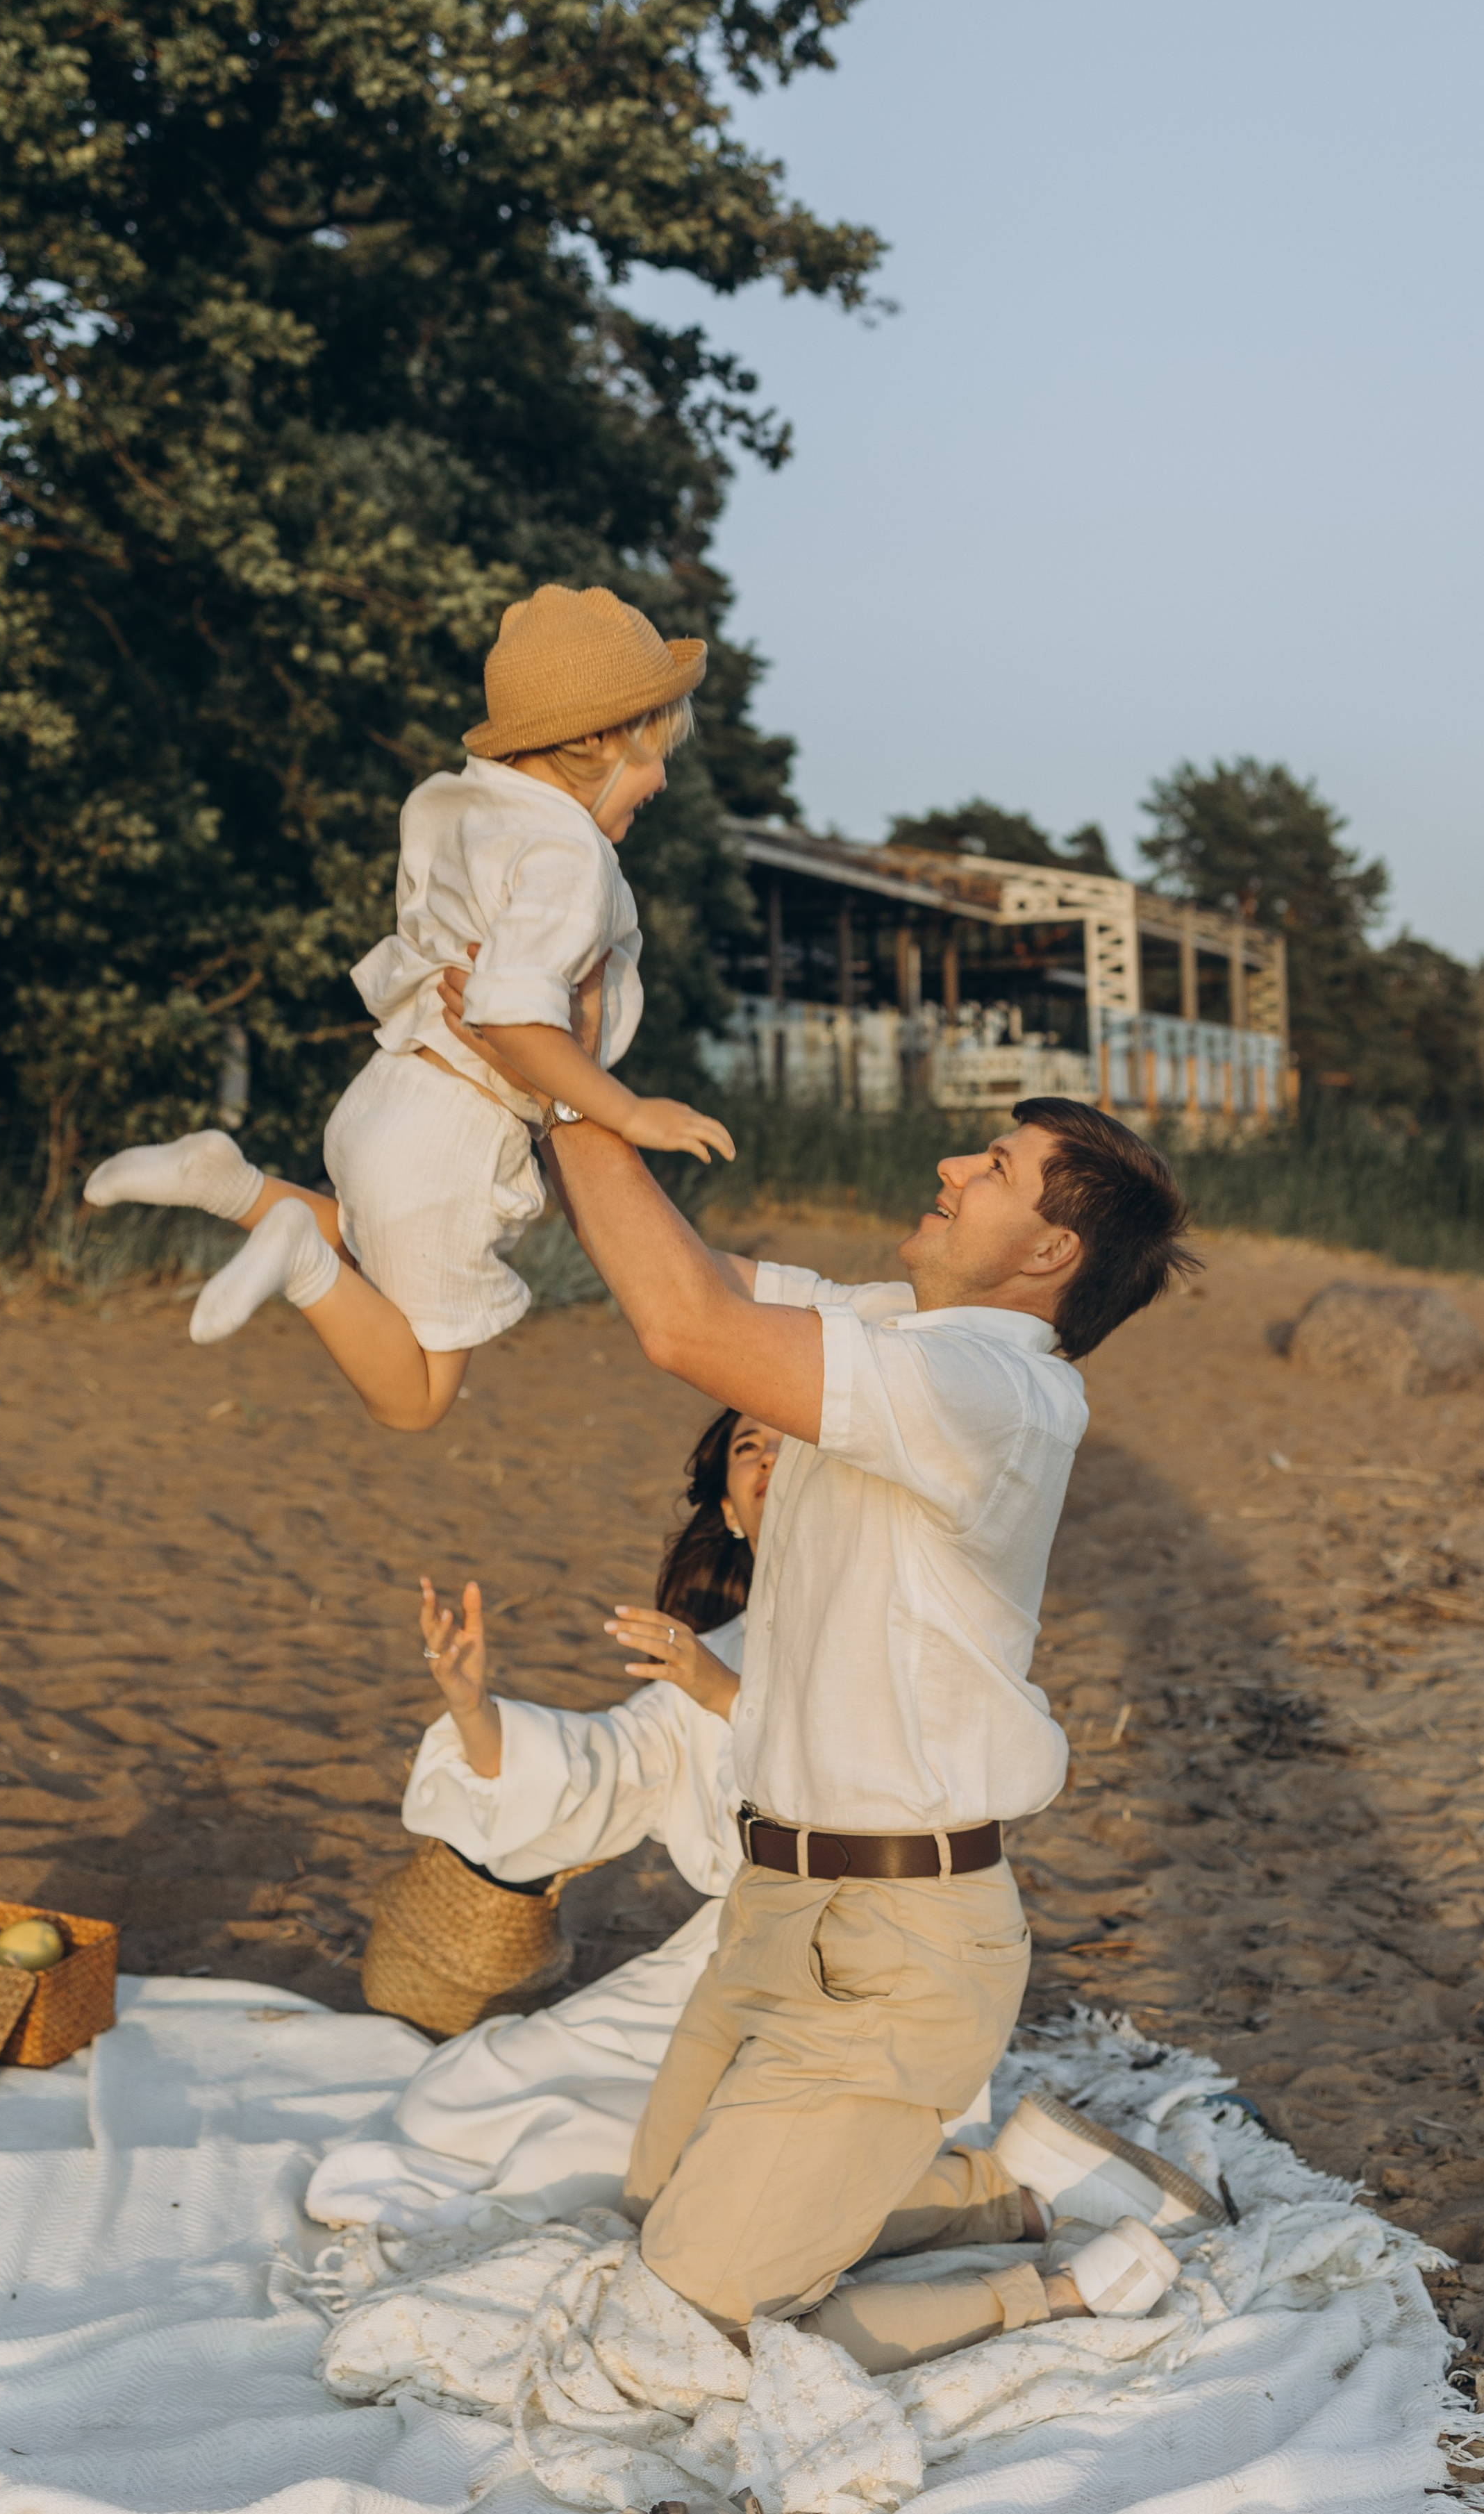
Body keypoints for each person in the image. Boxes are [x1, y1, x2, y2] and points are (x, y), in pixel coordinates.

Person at [447, 963, 1217, 2372]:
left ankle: (1063, 2290)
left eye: (991, 1168)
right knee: (653, 2209)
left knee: (670, 2324)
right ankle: (1012, 2188)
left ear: (1048, 1255)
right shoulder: (898, 1327)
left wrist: (555, 1076)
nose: (948, 1163)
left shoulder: (995, 1388)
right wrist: (548, 1071)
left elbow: (685, 1331)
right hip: (776, 1905)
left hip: (901, 1955)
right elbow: (689, 1278)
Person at [81, 585, 733, 1431]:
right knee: (416, 1400)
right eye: (654, 751)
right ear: (595, 739)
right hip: (452, 1141)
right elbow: (509, 1015)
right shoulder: (571, 858)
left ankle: (230, 1183)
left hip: (384, 1098)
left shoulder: (464, 806)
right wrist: (628, 1109)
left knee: (368, 1237)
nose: (663, 777)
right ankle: (296, 1254)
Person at [307, 1406, 790, 2231]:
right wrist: (474, 1711)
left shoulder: (895, 1630)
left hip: (850, 1950)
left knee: (577, 2152)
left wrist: (726, 1696)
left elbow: (888, 1781)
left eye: (793, 1441)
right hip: (724, 1954)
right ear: (728, 1512)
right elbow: (599, 1765)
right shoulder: (712, 1650)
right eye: (749, 1448)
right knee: (451, 2095)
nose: (770, 1458)